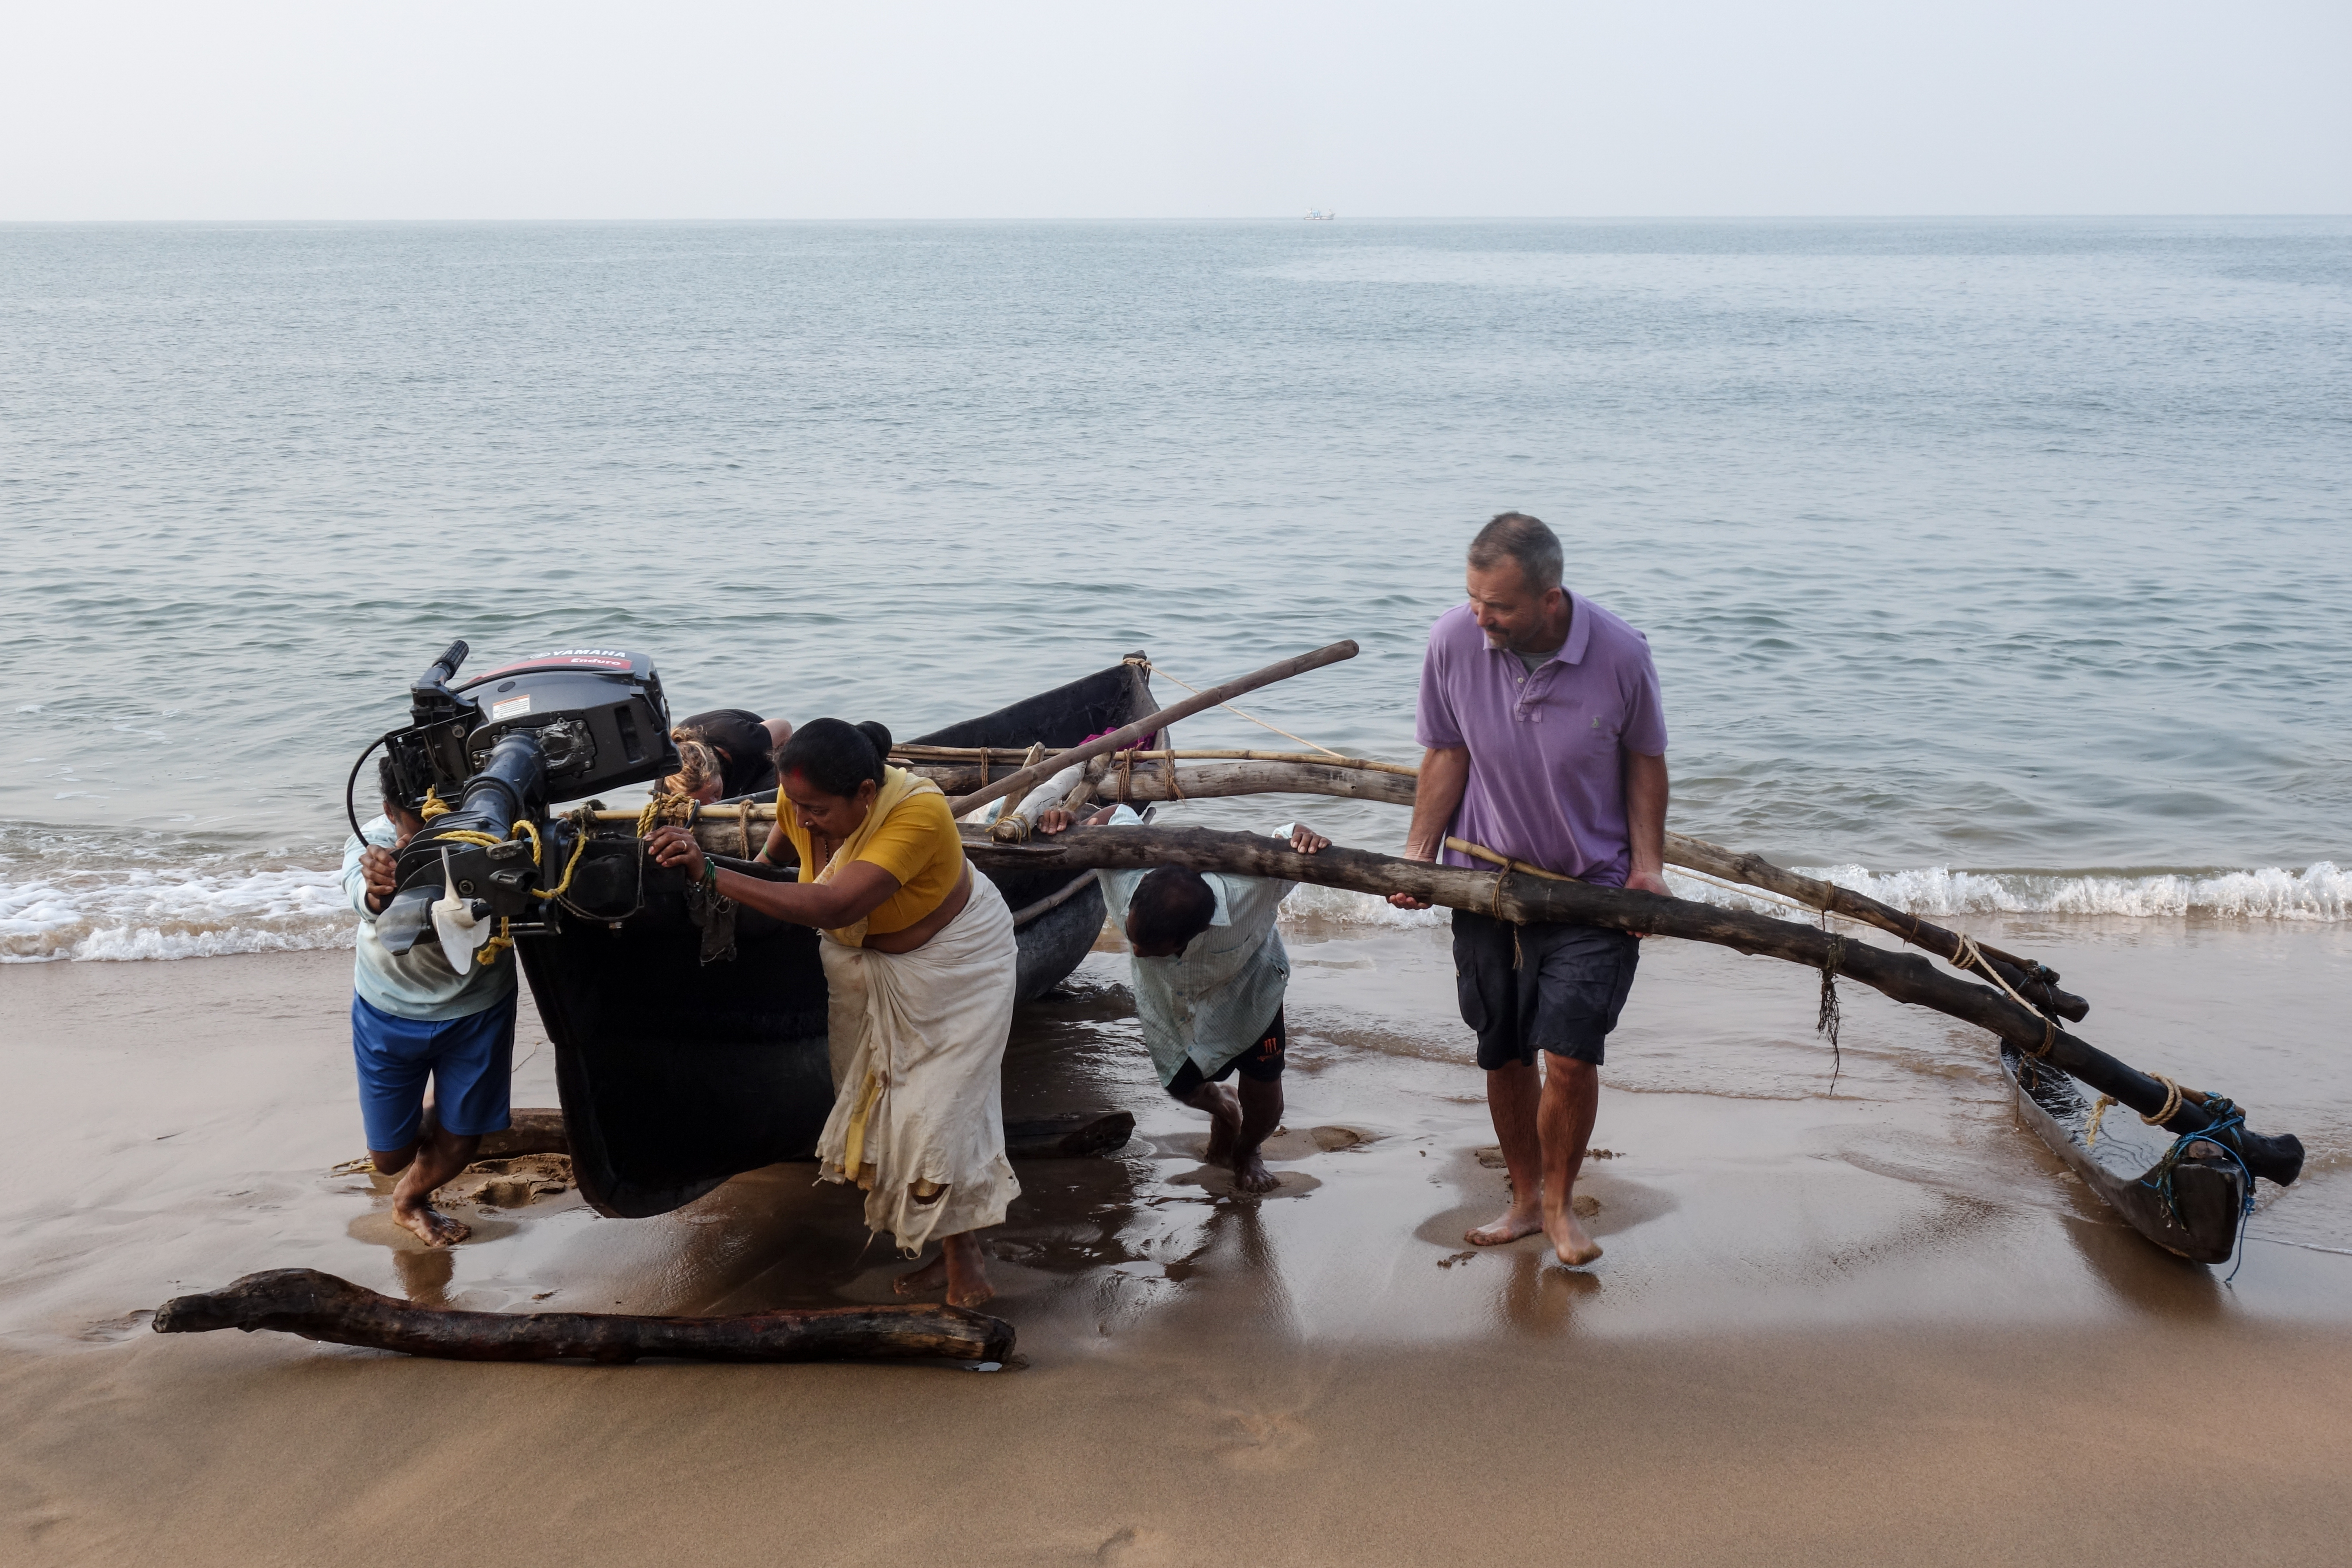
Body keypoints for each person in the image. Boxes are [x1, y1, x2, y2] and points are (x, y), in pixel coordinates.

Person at [646, 717, 1017, 1307]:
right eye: (796, 804)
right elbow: (772, 870)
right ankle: (939, 1239)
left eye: (817, 809)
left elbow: (833, 900)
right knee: (883, 1103)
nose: (802, 817)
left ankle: (963, 1251)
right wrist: (691, 863)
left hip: (953, 966)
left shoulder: (919, 812)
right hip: (860, 961)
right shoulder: (798, 799)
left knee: (939, 1109)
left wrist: (711, 873)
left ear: (865, 796)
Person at [1389, 512, 1669, 1267]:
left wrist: (1647, 865)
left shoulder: (1619, 652)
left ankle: (1558, 1201)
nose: (1480, 619)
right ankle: (1519, 1195)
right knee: (1503, 1051)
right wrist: (1419, 856)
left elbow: (1645, 760)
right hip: (1485, 882)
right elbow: (1444, 752)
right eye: (1473, 599)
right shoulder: (1452, 638)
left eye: (1499, 606)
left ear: (1550, 597)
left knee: (1571, 1056)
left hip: (1591, 888)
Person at [1038, 803, 1331, 1193]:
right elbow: (1119, 813)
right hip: (1168, 1002)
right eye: (1132, 935)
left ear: (1199, 932)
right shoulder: (1126, 877)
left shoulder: (1252, 890)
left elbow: (1288, 839)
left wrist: (1303, 832)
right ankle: (1224, 1108)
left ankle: (1247, 1151)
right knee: (1182, 1087)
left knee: (1264, 1102)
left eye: (1151, 947)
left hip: (1251, 991)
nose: (1136, 952)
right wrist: (1072, 816)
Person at [343, 760, 521, 1248]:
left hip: (477, 1007)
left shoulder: (492, 830)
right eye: (422, 825)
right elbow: (364, 892)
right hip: (388, 1009)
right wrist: (381, 883)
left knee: (462, 1137)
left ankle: (409, 1202)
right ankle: (435, 1110)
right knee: (388, 1156)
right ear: (389, 812)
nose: (438, 836)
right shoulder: (371, 845)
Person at [664, 709, 793, 802]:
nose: (714, 804)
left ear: (715, 760)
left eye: (716, 793)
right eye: (701, 802)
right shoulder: (667, 784)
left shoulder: (746, 744)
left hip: (756, 762)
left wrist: (782, 792)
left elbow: (784, 728)